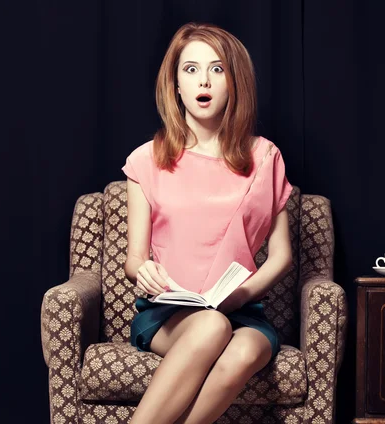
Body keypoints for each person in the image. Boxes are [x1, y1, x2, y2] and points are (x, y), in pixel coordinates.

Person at [122, 22, 293, 424]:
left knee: (247, 348)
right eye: (191, 69)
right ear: (176, 85)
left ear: (234, 82)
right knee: (211, 326)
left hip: (243, 310)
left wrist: (241, 294)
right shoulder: (146, 159)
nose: (204, 80)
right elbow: (134, 258)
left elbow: (282, 256)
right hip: (168, 314)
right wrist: (143, 271)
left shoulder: (266, 156)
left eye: (217, 69)